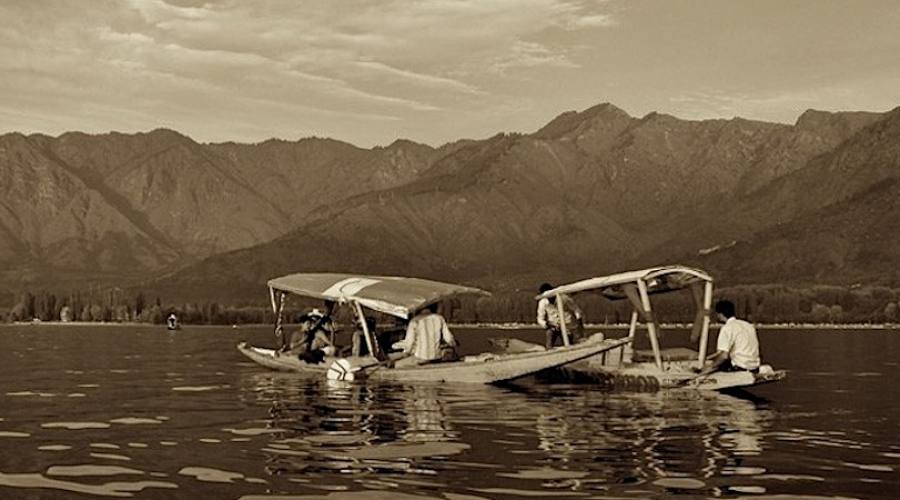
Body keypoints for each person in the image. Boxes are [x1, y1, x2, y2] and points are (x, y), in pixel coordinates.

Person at [698, 300, 760, 375]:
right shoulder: (748, 325)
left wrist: (709, 367)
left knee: (715, 365)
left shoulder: (727, 328)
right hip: (754, 366)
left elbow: (724, 356)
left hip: (739, 367)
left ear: (720, 314)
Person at [392, 303, 458, 366]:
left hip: (420, 357)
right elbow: (449, 339)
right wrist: (453, 344)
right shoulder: (439, 318)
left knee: (396, 365)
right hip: (436, 356)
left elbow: (409, 344)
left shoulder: (414, 321)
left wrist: (403, 353)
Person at [536, 283, 584, 349]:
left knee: (569, 345)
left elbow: (576, 310)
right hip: (553, 326)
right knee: (549, 340)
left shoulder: (564, 299)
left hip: (567, 326)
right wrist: (546, 324)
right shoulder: (542, 302)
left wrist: (579, 323)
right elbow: (540, 318)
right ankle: (549, 352)